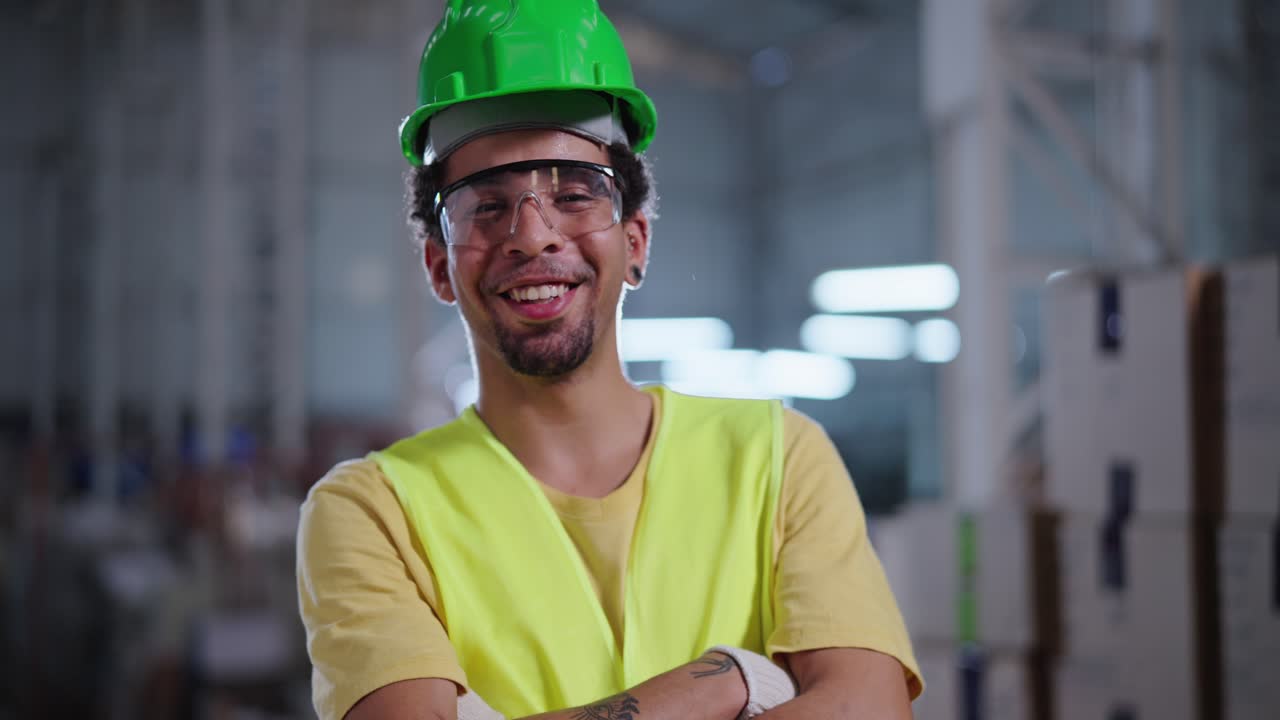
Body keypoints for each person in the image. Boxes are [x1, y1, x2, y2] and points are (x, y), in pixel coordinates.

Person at [296, 2, 922, 719]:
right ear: (439, 266)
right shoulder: (373, 514)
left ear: (636, 241)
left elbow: (868, 706)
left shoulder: (778, 460)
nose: (532, 236)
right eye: (487, 206)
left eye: (573, 194)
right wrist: (727, 682)